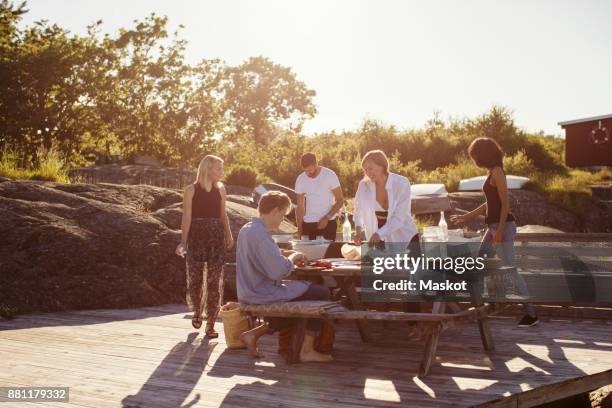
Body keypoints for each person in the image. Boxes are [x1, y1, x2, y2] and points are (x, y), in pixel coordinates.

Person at [450, 137, 539, 327]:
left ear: (483, 154)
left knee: (511, 270)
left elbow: (505, 202)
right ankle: (481, 306)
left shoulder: (498, 172)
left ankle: (531, 314)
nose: (474, 158)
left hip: (503, 227)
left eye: (475, 154)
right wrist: (466, 217)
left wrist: (499, 230)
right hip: (493, 228)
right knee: (480, 264)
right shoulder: (491, 172)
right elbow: (489, 204)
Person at [236, 191, 333, 362]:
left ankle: (254, 334)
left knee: (301, 297)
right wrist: (293, 257)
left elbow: (262, 254)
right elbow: (278, 271)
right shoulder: (261, 235)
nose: (283, 219)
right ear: (274, 211)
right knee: (322, 292)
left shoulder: (248, 229)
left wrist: (284, 252)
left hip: (248, 290)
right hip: (261, 292)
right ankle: (307, 350)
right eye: (282, 214)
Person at [353, 150, 422, 314]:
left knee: (412, 279)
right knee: (384, 275)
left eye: (371, 168)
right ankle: (382, 316)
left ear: (382, 166)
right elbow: (358, 210)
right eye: (365, 170)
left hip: (405, 235)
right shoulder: (364, 185)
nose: (368, 173)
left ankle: (415, 322)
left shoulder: (401, 183)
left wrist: (379, 234)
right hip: (379, 235)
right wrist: (357, 229)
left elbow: (398, 218)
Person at [176, 155, 234, 338]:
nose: (221, 172)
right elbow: (186, 218)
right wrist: (183, 242)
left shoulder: (221, 188)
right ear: (207, 169)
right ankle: (196, 311)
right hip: (197, 237)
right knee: (195, 280)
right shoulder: (190, 190)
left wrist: (229, 234)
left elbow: (223, 214)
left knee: (215, 282)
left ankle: (210, 324)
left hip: (216, 237)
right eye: (218, 169)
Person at [294, 153, 344, 241]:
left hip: (328, 223)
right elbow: (300, 207)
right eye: (306, 171)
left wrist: (327, 218)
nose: (308, 173)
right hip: (308, 224)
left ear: (316, 163)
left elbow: (340, 200)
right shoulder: (300, 179)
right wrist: (299, 229)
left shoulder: (329, 175)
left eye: (310, 170)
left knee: (327, 254)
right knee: (308, 254)